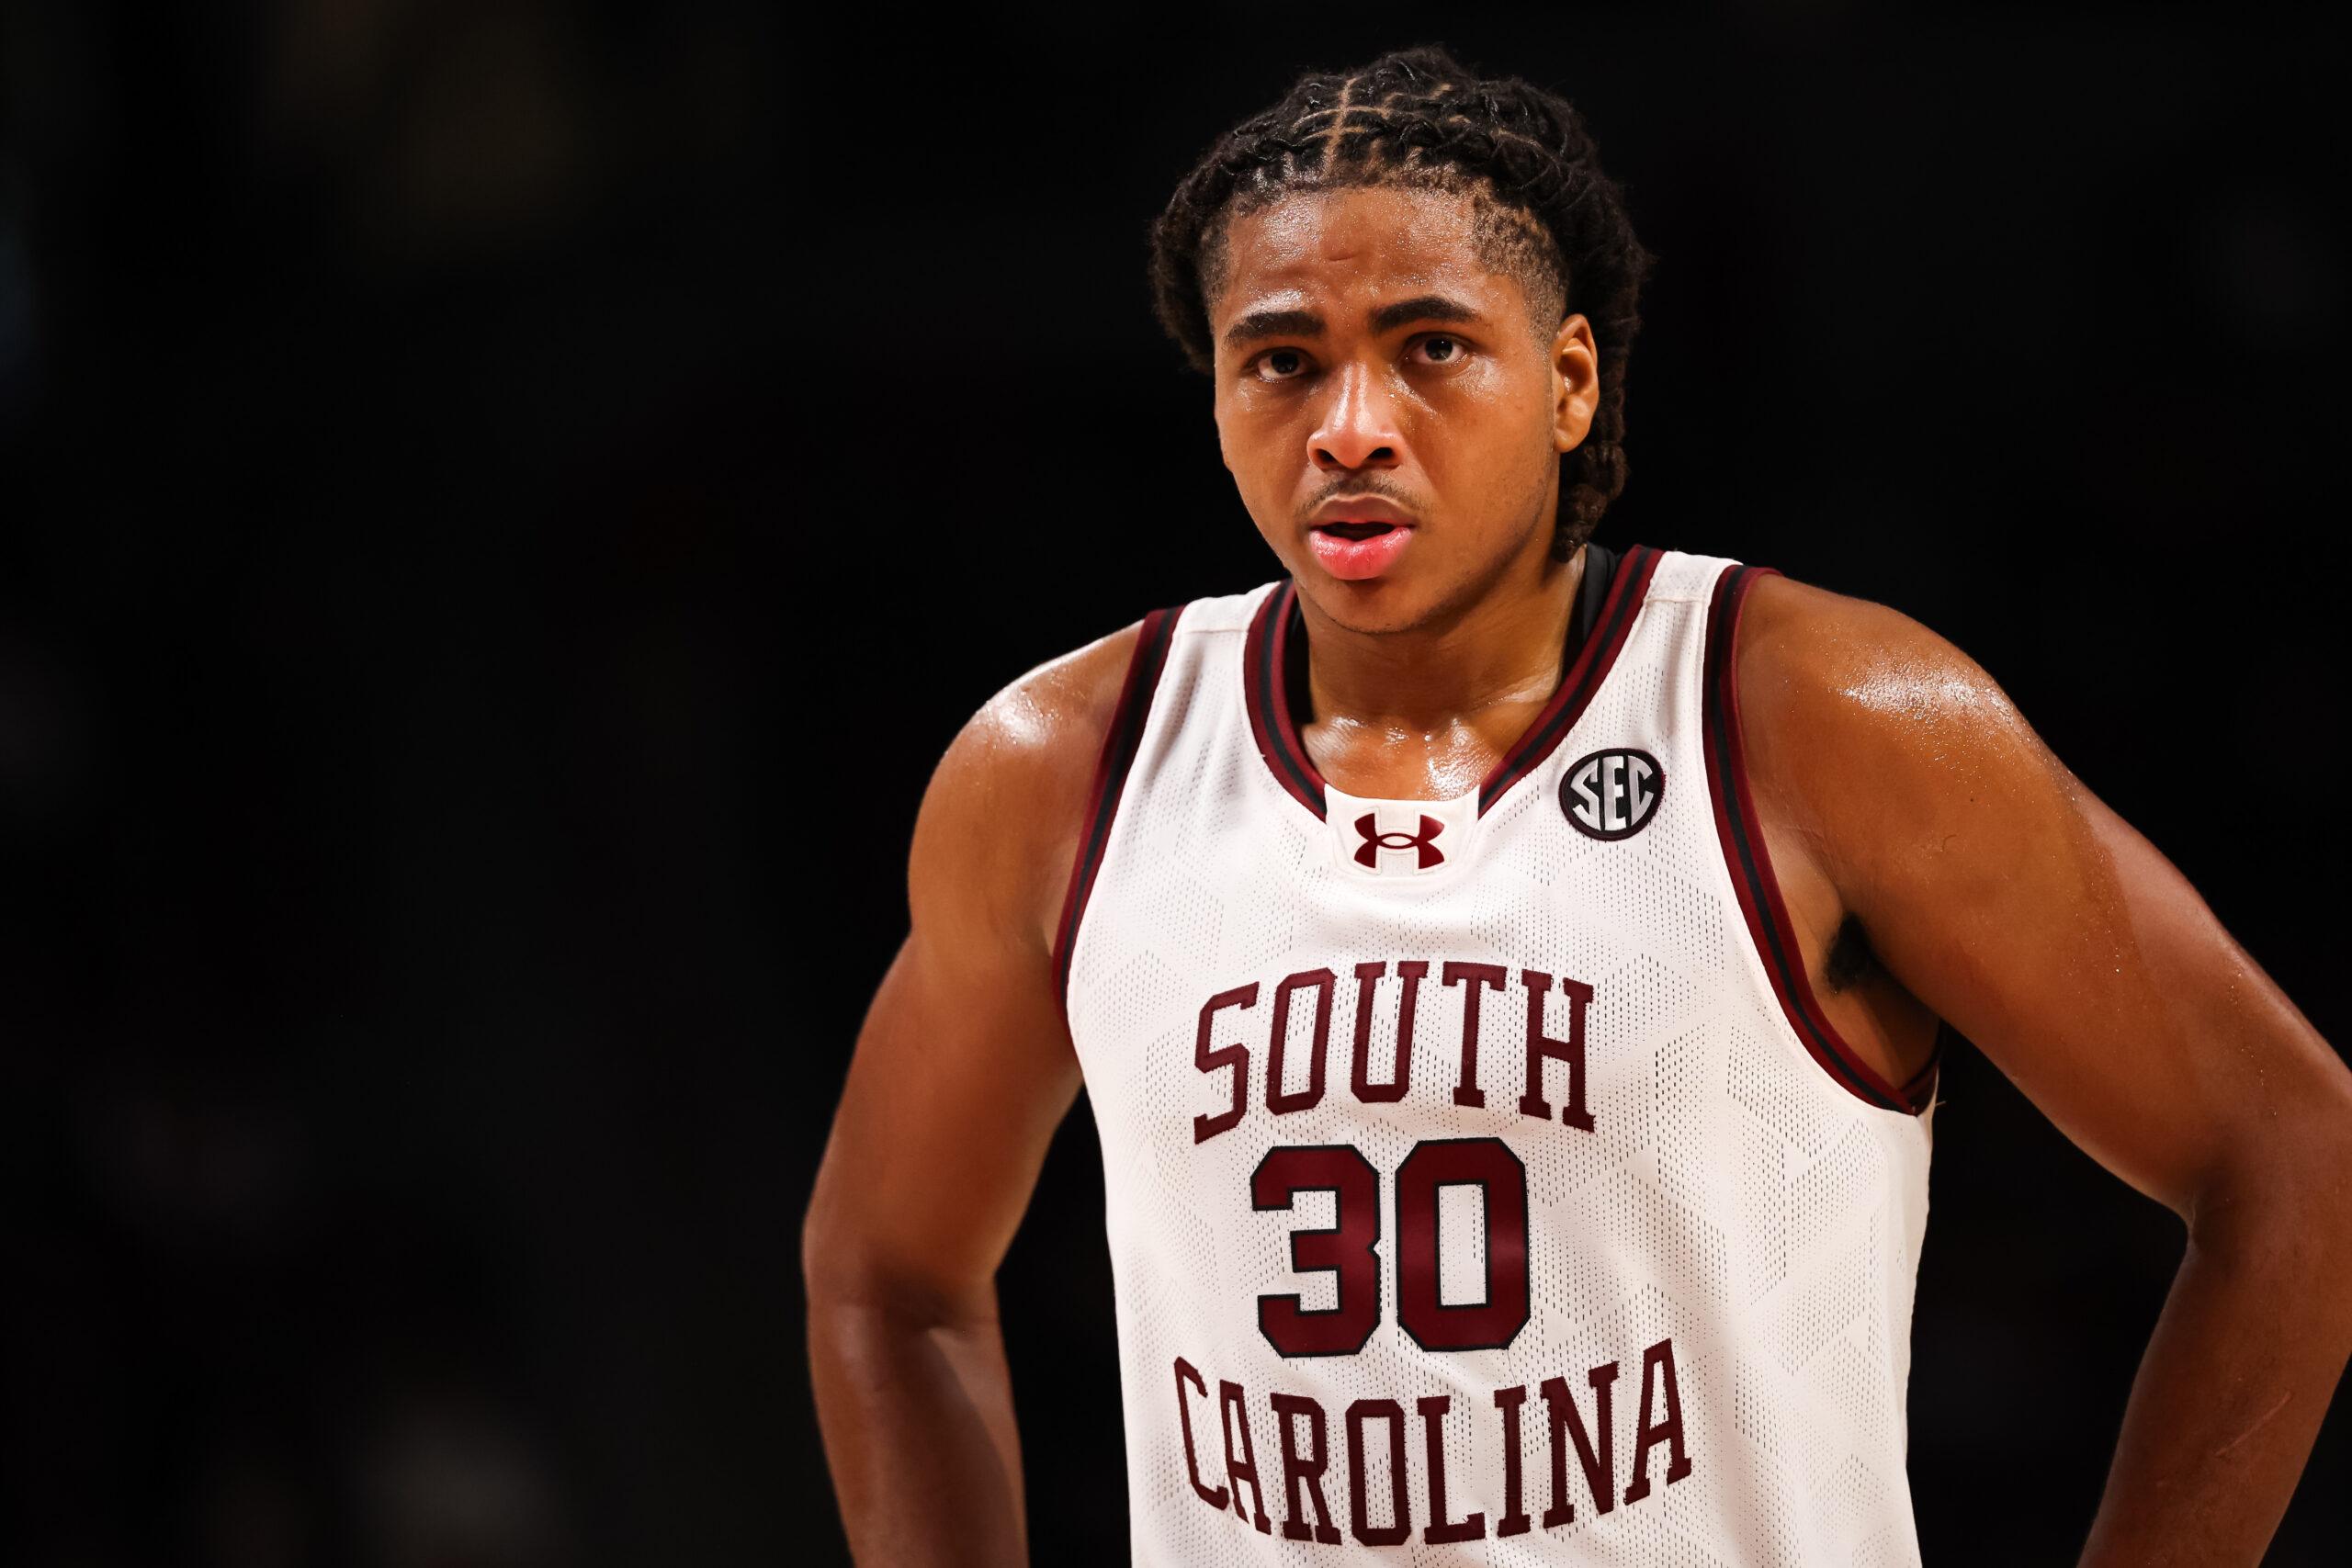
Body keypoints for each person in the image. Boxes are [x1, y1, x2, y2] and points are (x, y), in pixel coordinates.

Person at [803, 44, 2352, 1566]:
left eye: (1430, 346)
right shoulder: (1060, 768)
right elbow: (886, 1277)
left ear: (1568, 383)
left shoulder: (1817, 720)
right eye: (1281, 361)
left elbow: (2299, 1157)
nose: (1350, 425)